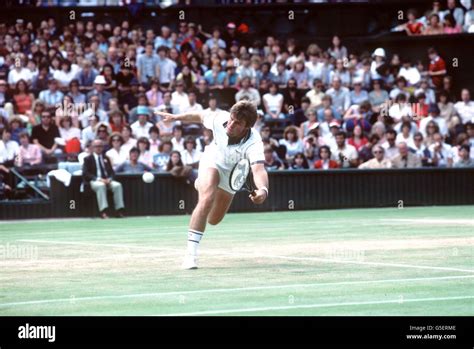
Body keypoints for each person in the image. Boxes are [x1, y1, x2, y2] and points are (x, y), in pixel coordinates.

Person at [154, 100, 268, 269]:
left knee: (213, 220)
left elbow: (258, 170)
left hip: (231, 174)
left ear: (247, 127)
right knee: (206, 199)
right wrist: (176, 117)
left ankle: (202, 185)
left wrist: (263, 191)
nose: (231, 124)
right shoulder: (219, 119)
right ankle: (190, 255)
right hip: (212, 160)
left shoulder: (254, 142)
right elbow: (199, 116)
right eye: (231, 119)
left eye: (237, 123)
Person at [82, 139, 125, 219]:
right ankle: (103, 211)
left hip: (107, 180)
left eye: (100, 146)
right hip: (94, 181)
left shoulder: (106, 158)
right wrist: (99, 179)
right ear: (92, 147)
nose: (98, 148)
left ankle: (119, 210)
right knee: (101, 186)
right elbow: (86, 173)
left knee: (118, 185)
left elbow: (112, 172)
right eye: (96, 146)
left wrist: (110, 179)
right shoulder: (88, 159)